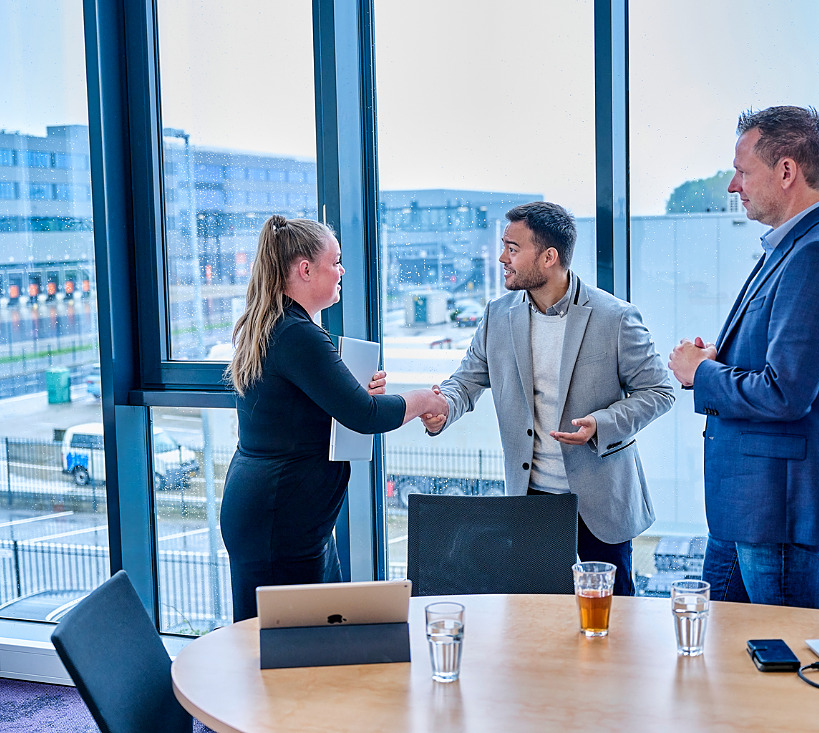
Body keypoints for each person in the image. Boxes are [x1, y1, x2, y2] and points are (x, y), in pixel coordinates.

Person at [422, 201, 675, 595]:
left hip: (600, 504)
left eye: (512, 248)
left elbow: (659, 391)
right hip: (532, 500)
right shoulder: (497, 316)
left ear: (548, 257)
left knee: (614, 624)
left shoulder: (615, 317)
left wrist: (601, 424)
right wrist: (445, 408)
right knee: (536, 619)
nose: (502, 258)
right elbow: (467, 380)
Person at [221, 215, 447, 621]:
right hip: (281, 519)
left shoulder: (280, 325)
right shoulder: (296, 334)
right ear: (305, 270)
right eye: (335, 261)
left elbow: (303, 414)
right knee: (293, 649)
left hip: (283, 514)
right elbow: (366, 416)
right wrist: (421, 400)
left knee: (306, 641)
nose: (342, 270)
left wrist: (353, 394)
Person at [668, 106, 819, 609]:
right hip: (747, 510)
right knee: (722, 665)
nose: (733, 186)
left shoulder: (818, 255)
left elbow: (786, 394)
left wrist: (703, 374)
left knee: (779, 673)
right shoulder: (790, 248)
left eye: (743, 172)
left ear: (786, 171)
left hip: (777, 516)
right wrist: (721, 360)